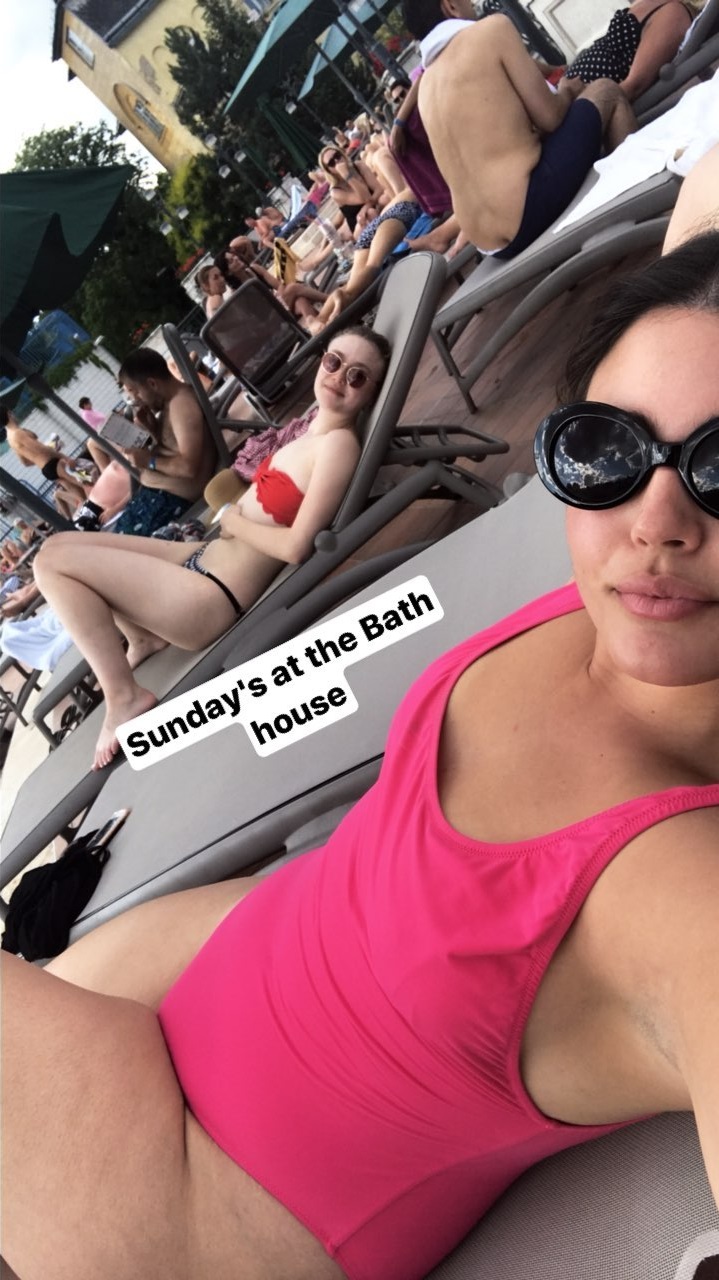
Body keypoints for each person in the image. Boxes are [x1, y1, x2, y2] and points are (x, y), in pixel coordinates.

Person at [4, 232, 719, 1280]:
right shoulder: (611, 615)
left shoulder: (679, 890)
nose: (653, 522)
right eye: (604, 449)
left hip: (190, 1198)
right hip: (196, 986)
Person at [32, 326, 391, 770]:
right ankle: (141, 636)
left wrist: (234, 520)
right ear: (321, 362)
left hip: (212, 596)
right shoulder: (310, 428)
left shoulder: (338, 445)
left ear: (369, 392)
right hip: (204, 560)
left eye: (357, 376)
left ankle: (123, 697)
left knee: (53, 566)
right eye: (334, 362)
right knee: (58, 547)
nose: (339, 377)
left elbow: (298, 547)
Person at [411, 5, 637, 255]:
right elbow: (551, 117)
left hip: (488, 244)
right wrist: (567, 90)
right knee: (606, 91)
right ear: (450, 5)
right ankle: (635, 205)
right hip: (529, 209)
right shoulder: (491, 29)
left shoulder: (425, 87)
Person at [110, 348, 217, 538]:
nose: (136, 400)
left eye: (136, 392)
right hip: (159, 498)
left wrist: (148, 460)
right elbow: (173, 448)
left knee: (116, 549)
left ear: (152, 383)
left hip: (170, 502)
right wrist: (153, 429)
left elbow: (188, 467)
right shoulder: (171, 403)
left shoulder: (181, 405)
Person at [560, 0, 700, 102]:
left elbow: (633, 86)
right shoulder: (651, 2)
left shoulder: (673, 13)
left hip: (584, 108)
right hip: (565, 100)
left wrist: (570, 100)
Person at [1, 407, 93, 519]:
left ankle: (92, 514)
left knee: (81, 495)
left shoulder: (10, 438)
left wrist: (37, 458)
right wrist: (65, 458)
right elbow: (41, 448)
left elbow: (25, 462)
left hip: (47, 470)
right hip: (56, 463)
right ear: (9, 413)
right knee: (87, 481)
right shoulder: (18, 433)